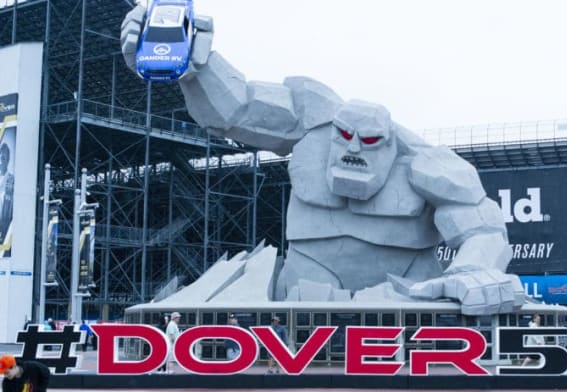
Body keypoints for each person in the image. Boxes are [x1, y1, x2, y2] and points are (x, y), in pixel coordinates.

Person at [120, 5, 525, 317]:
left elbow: (483, 229)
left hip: (404, 297)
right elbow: (238, 109)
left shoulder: (427, 165)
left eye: (368, 141)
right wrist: (196, 65)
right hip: (303, 295)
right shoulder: (311, 125)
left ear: (389, 145)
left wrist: (474, 270)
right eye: (345, 136)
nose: (353, 149)